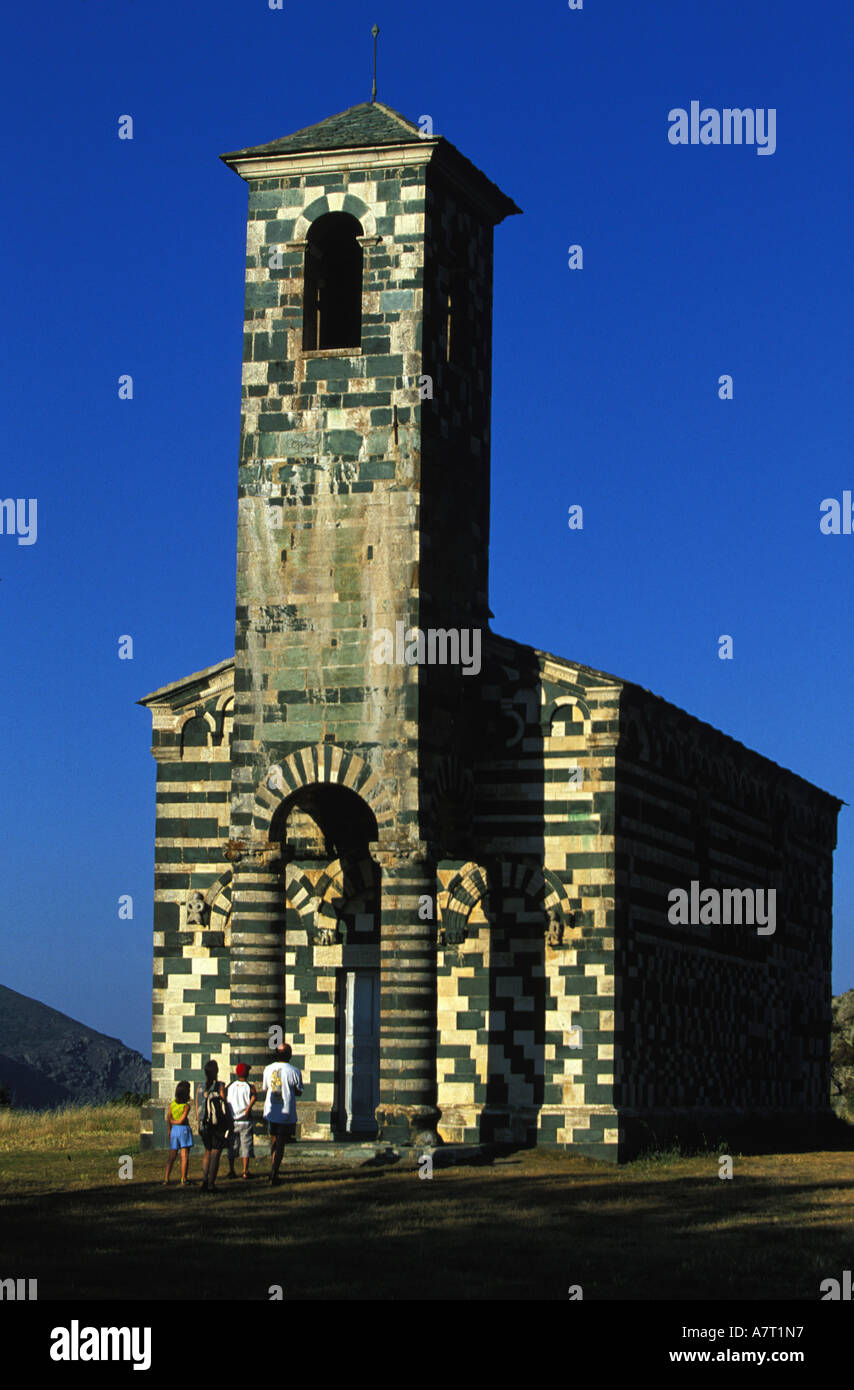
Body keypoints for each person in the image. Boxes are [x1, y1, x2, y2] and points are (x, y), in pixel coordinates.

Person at [262, 1044, 302, 1186]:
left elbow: (265, 1087)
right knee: (280, 1142)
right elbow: (299, 1091)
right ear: (289, 1055)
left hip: (272, 1111)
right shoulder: (294, 1071)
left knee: (274, 1140)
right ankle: (274, 1172)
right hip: (285, 1111)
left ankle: (273, 1168)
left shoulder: (268, 1069)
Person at [195, 1059, 231, 1194]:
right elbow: (224, 1105)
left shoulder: (200, 1086)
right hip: (216, 1124)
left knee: (207, 1151)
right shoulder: (220, 1086)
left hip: (204, 1124)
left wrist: (199, 1123)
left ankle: (204, 1180)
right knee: (216, 1153)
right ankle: (211, 1184)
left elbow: (197, 1105)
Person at [226, 1062, 257, 1180]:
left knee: (232, 1146)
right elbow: (254, 1096)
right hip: (245, 1120)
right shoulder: (249, 1086)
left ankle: (231, 1170)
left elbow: (225, 1096)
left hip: (233, 1120)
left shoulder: (231, 1086)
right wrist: (248, 1108)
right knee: (246, 1145)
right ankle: (245, 1171)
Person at [163, 1080, 193, 1186]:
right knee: (184, 1155)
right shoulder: (186, 1106)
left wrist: (169, 1128)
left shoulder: (172, 1104)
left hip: (174, 1130)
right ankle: (183, 1178)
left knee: (172, 1155)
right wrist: (174, 1121)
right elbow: (181, 1120)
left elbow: (168, 1117)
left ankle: (166, 1178)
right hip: (183, 1129)